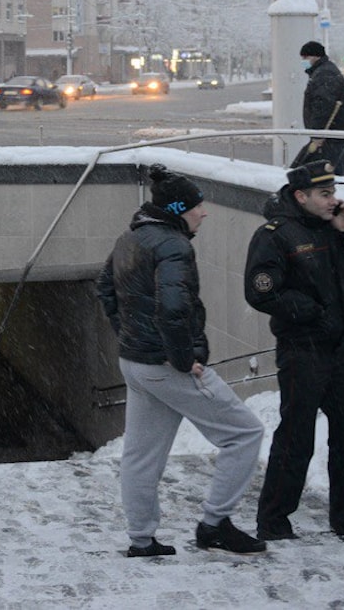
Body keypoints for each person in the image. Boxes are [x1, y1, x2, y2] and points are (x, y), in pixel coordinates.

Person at [96, 165, 266, 557]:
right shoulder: (174, 246)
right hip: (166, 366)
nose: (203, 213)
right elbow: (173, 308)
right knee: (244, 434)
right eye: (197, 207)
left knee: (141, 456)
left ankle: (142, 540)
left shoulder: (130, 237)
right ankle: (214, 524)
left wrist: (130, 334)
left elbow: (105, 288)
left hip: (136, 363)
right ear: (178, 210)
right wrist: (181, 357)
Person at [245, 158, 344, 540]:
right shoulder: (275, 234)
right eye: (324, 193)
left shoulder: (333, 226)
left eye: (333, 192)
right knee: (296, 437)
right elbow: (261, 290)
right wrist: (310, 313)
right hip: (302, 346)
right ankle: (273, 520)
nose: (332, 199)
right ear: (301, 196)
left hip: (337, 347)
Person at [293, 41, 344, 171]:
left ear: (316, 56)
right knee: (322, 173)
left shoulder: (324, 74)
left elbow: (323, 106)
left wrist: (317, 133)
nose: (303, 61)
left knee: (319, 175)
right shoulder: (324, 71)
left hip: (329, 136)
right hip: (332, 135)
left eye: (305, 57)